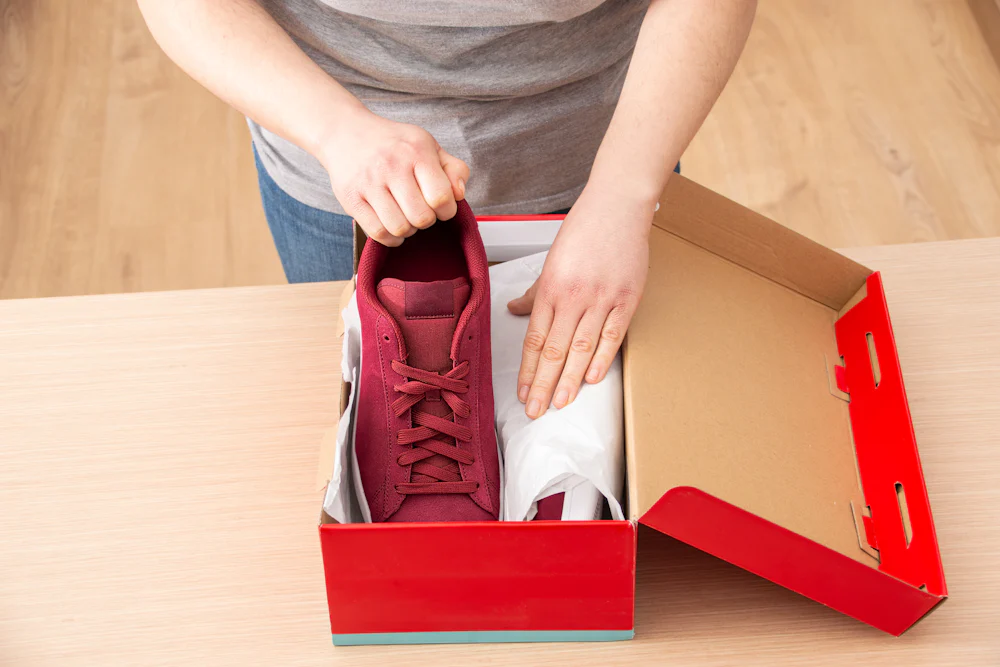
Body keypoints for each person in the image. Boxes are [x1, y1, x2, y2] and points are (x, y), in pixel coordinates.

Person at [138, 0, 756, 419]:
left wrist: (624, 195)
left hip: (615, 144)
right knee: (371, 415)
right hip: (338, 159)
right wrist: (335, 132)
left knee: (618, 416)